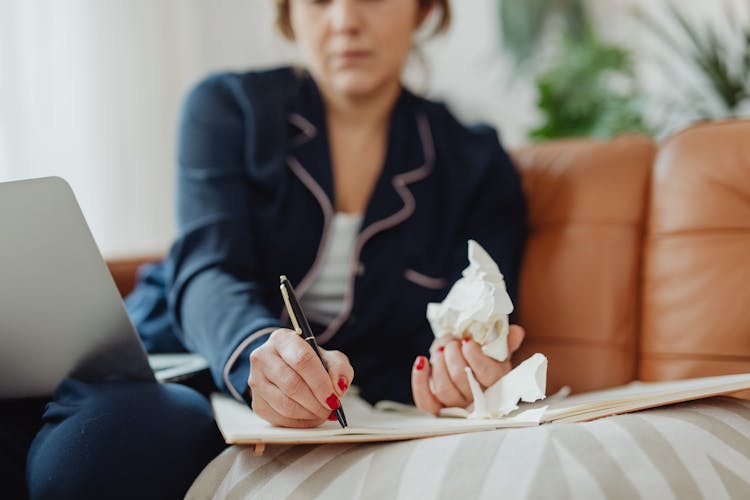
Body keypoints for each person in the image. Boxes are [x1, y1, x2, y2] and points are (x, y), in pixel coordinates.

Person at [166, 0, 526, 430]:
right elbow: (208, 271)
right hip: (189, 365)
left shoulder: (476, 164)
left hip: (367, 411)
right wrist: (257, 354)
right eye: (318, 1)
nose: (344, 22)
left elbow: (477, 321)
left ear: (424, 10)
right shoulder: (228, 109)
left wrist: (460, 375)